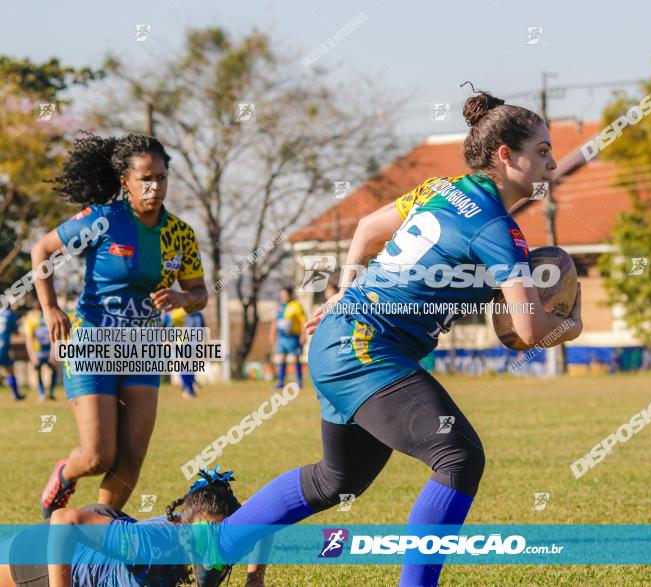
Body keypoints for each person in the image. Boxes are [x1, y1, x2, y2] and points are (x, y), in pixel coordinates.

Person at [214, 90, 583, 586]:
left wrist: (344, 293)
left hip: (348, 341)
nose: (552, 162)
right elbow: (529, 329)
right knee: (458, 456)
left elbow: (367, 228)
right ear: (506, 156)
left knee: (337, 479)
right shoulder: (498, 228)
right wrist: (573, 321)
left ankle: (211, 548)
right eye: (541, 150)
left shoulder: (440, 188)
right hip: (365, 351)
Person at [32, 132, 208, 518]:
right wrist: (49, 308)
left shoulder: (181, 234)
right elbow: (42, 249)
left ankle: (93, 532)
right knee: (97, 456)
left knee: (131, 458)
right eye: (145, 178)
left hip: (144, 347)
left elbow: (200, 292)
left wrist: (182, 298)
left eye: (161, 177)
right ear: (125, 181)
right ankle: (63, 475)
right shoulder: (102, 220)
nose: (154, 186)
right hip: (92, 341)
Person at [0, 467, 266, 587]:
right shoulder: (149, 546)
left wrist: (255, 579)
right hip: (49, 559)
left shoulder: (229, 529)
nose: (212, 546)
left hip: (107, 526)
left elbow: (265, 513)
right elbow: (63, 520)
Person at [163, 307, 206, 398]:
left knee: (187, 367)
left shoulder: (194, 314)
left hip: (189, 344)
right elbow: (166, 327)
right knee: (187, 366)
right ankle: (189, 387)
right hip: (184, 343)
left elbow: (202, 330)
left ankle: (188, 387)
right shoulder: (194, 314)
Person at [268, 287, 306, 389]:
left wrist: (303, 334)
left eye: (284, 295)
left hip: (293, 337)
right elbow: (275, 321)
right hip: (282, 337)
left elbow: (302, 321)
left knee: (296, 358)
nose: (282, 297)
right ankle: (280, 382)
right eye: (281, 295)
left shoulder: (296, 306)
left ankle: (299, 381)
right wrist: (272, 333)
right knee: (282, 358)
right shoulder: (280, 306)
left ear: (289, 295)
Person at [22, 298, 58, 401]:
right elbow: (54, 337)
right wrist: (53, 352)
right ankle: (50, 392)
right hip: (48, 350)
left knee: (38, 373)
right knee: (53, 371)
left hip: (38, 352)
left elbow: (28, 340)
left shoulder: (30, 318)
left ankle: (42, 394)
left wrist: (31, 355)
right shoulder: (49, 317)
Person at [0, 306, 22, 401]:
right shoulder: (10, 315)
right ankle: (16, 395)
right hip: (3, 347)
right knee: (10, 371)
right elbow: (16, 332)